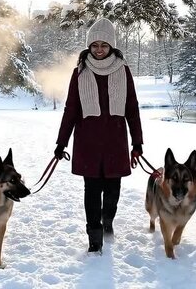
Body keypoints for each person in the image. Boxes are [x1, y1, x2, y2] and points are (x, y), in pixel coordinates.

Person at [54, 18, 143, 253]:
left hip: (115, 142)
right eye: (95, 45)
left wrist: (138, 143)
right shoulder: (80, 72)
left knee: (113, 191)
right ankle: (94, 238)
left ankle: (107, 221)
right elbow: (71, 110)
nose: (99, 49)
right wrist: (61, 142)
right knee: (92, 191)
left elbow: (132, 108)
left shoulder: (123, 71)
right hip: (88, 144)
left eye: (104, 44)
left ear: (112, 46)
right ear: (88, 47)